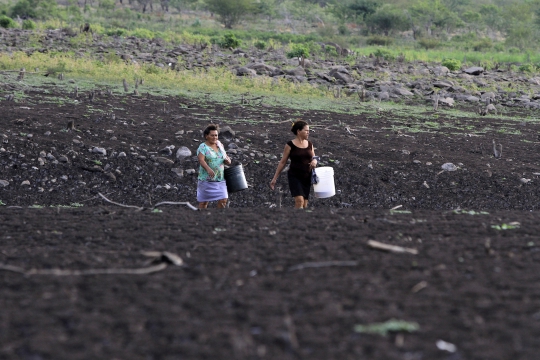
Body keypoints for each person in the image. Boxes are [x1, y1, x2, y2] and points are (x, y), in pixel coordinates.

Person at [270, 120, 317, 209]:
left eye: (308, 131)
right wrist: (274, 178)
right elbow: (283, 162)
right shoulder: (290, 145)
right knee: (299, 201)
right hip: (295, 176)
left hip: (307, 177)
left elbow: (315, 158)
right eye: (306, 130)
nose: (308, 132)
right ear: (299, 131)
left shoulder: (310, 144)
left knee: (304, 204)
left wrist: (315, 161)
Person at [196, 124, 231, 209]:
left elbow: (227, 160)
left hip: (220, 179)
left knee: (223, 200)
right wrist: (208, 169)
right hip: (206, 180)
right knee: (203, 203)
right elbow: (201, 160)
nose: (215, 137)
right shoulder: (203, 147)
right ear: (206, 136)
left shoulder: (220, 145)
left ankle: (217, 218)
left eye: (216, 135)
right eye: (212, 135)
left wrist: (227, 161)